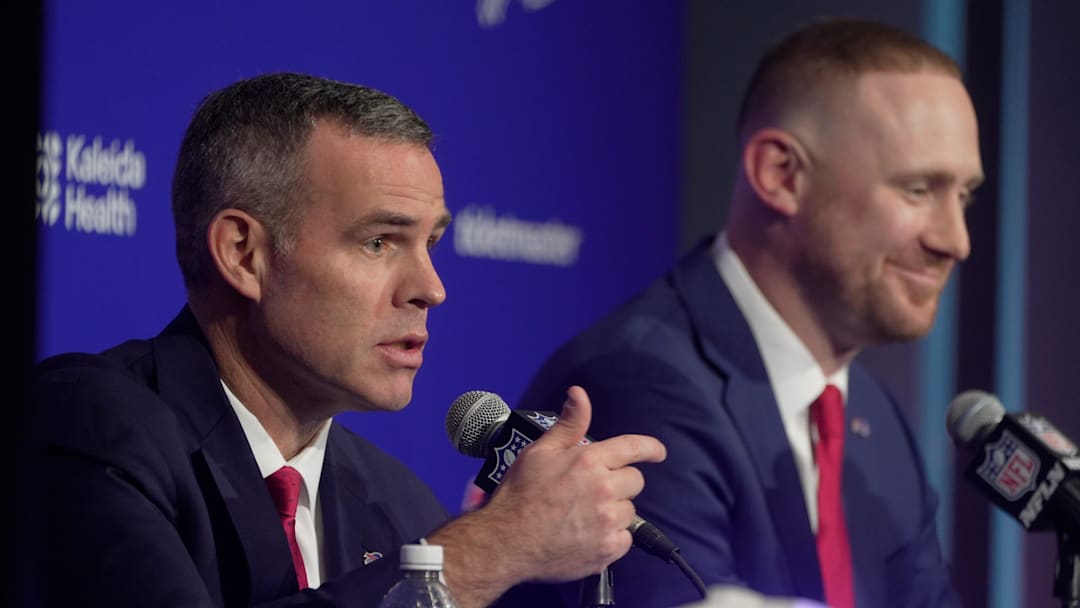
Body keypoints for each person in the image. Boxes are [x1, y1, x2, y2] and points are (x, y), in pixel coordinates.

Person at [27, 72, 666, 608]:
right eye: (379, 241)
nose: (431, 289)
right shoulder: (87, 424)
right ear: (244, 254)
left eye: (432, 243)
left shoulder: (398, 503)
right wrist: (496, 546)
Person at [519, 16, 982, 608]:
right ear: (780, 175)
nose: (956, 240)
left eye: (964, 195)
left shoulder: (875, 419)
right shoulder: (642, 383)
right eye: (919, 189)